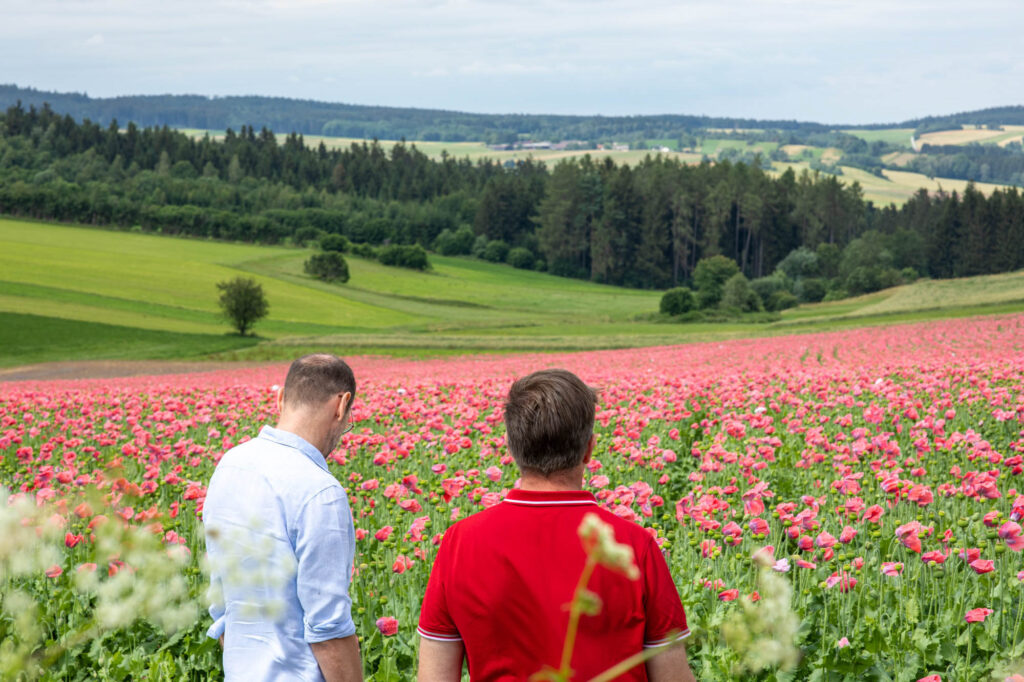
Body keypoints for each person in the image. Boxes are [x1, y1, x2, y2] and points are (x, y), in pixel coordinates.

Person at [417, 369, 695, 682]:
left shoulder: (460, 542)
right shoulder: (634, 545)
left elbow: (434, 677)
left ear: (511, 447)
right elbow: (673, 676)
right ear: (589, 449)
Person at [204, 354, 363, 682]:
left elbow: (221, 601)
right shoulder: (320, 491)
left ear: (280, 398)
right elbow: (328, 630)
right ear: (341, 405)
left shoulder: (231, 465)